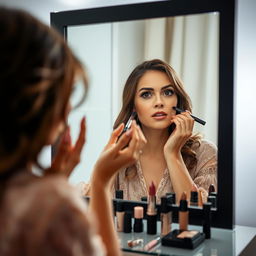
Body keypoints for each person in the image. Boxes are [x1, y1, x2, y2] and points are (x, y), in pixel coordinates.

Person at [0, 7, 143, 256]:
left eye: (167, 92)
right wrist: (100, 181)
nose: (68, 108)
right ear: (34, 99)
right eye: (64, 93)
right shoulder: (51, 206)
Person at [112, 59, 217, 204]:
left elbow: (202, 217)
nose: (159, 102)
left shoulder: (205, 153)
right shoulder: (119, 156)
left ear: (177, 100)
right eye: (147, 94)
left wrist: (173, 153)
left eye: (167, 92)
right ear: (133, 106)